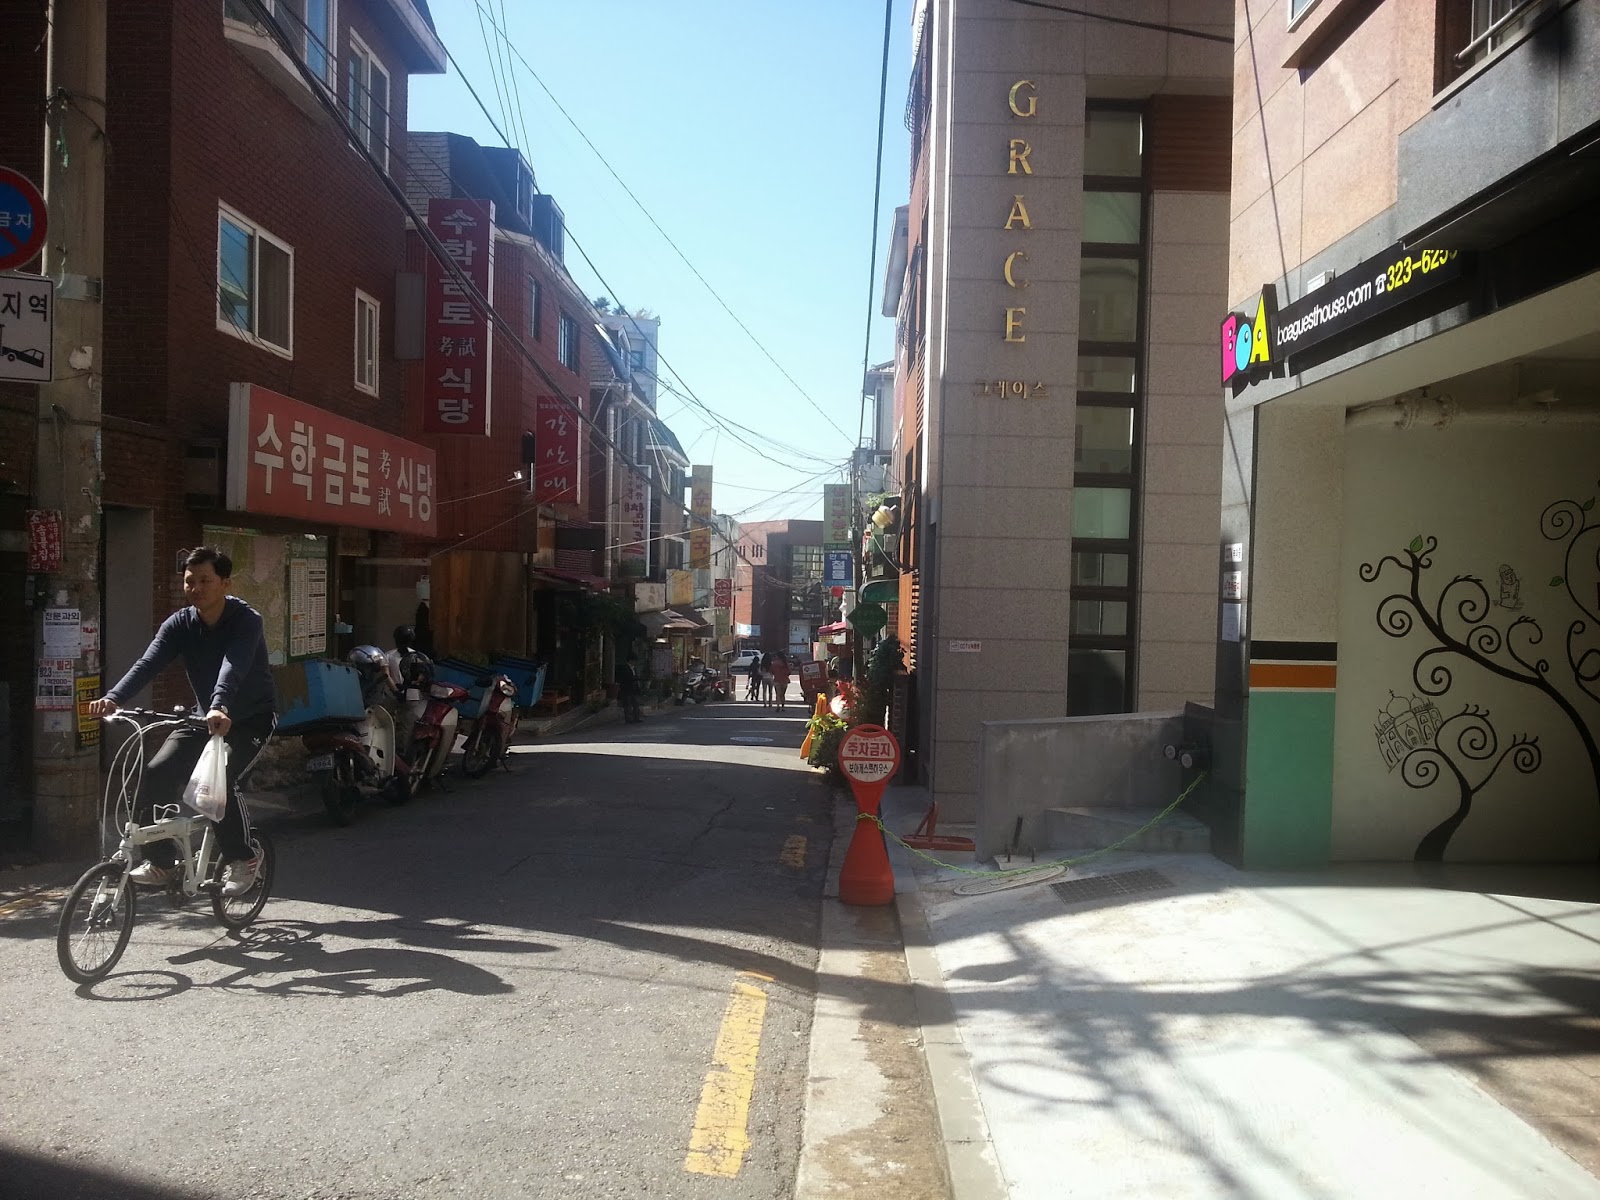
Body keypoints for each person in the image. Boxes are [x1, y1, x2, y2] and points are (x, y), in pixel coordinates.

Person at [87, 546, 277, 895]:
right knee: (155, 772)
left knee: (219, 781)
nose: (196, 588)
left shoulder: (246, 620)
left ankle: (244, 857)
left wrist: (219, 705)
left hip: (250, 718)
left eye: (205, 580)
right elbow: (148, 663)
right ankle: (161, 860)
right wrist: (114, 698)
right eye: (190, 581)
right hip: (204, 716)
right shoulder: (180, 624)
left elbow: (233, 665)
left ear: (225, 583)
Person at [616, 654, 643, 723]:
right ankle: (628, 718)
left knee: (635, 703)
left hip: (634, 688)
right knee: (627, 704)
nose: (635, 662)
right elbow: (624, 678)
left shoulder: (634, 668)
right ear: (630, 660)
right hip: (626, 688)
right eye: (634, 661)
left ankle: (636, 717)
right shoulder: (624, 668)